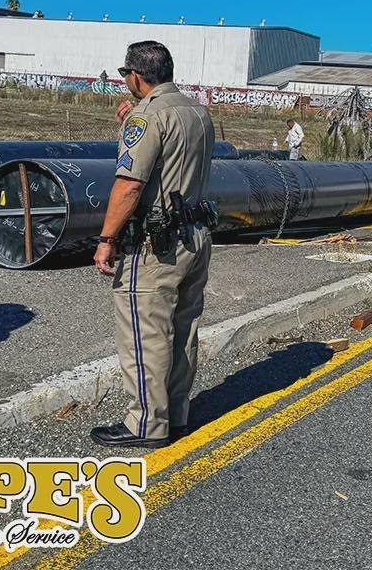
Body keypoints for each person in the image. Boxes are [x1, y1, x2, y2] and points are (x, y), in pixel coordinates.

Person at [91, 41, 217, 448]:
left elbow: (129, 184)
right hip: (195, 234)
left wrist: (107, 239)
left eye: (125, 75)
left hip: (156, 243)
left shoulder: (146, 117)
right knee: (183, 328)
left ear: (136, 76)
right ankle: (175, 415)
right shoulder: (197, 112)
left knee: (146, 331)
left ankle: (146, 423)